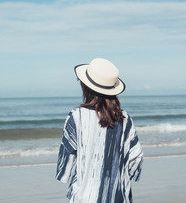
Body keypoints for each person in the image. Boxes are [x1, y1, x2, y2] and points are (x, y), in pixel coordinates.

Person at [56, 58, 143, 203]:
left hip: (85, 198)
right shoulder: (125, 119)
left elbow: (67, 163)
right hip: (119, 197)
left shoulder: (76, 117)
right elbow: (136, 160)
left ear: (85, 87)